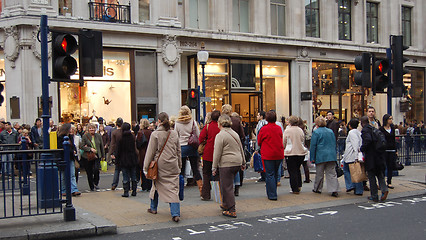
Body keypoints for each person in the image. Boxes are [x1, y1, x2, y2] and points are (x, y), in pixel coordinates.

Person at [144, 112, 182, 222]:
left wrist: (146, 167)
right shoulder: (174, 133)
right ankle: (175, 213)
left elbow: (150, 153)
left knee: (156, 184)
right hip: (173, 163)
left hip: (159, 164)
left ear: (159, 121)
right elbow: (178, 151)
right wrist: (179, 165)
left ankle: (153, 207)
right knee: (173, 188)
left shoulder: (155, 134)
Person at [212, 114, 246, 218]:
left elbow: (217, 153)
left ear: (220, 123)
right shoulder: (234, 133)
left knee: (227, 187)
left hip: (226, 163)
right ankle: (225, 205)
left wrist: (214, 167)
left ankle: (231, 209)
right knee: (226, 185)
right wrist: (243, 162)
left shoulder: (220, 135)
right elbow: (241, 148)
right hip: (237, 161)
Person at [174, 106, 202, 195]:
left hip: (182, 147)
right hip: (192, 147)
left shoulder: (177, 123)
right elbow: (198, 134)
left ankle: (180, 191)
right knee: (195, 170)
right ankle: (202, 191)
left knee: (181, 170)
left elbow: (175, 137)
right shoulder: (193, 122)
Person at [257, 111, 284, 201]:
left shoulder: (264, 129)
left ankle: (272, 194)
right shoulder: (278, 128)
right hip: (278, 153)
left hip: (268, 154)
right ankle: (273, 191)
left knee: (270, 174)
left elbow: (259, 141)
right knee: (276, 174)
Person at [360, 116, 388, 202]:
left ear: (361, 123)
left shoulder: (365, 130)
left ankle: (374, 195)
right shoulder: (373, 128)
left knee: (371, 176)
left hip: (371, 156)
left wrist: (362, 148)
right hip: (378, 155)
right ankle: (384, 189)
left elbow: (368, 140)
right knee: (379, 174)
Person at [310, 116, 339, 197]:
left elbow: (313, 146)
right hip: (331, 155)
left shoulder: (316, 132)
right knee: (332, 173)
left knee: (319, 173)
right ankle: (334, 189)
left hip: (320, 155)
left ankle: (317, 188)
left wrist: (312, 157)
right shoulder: (330, 131)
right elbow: (334, 143)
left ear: (316, 124)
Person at [199, 110, 221, 200]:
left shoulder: (208, 126)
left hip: (208, 153)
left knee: (206, 174)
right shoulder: (221, 127)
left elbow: (200, 138)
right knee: (218, 174)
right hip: (219, 153)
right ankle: (219, 195)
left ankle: (206, 194)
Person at [283, 116, 307, 194]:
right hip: (300, 152)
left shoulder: (287, 130)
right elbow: (303, 140)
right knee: (297, 169)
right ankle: (299, 185)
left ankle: (294, 188)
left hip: (290, 152)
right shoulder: (300, 130)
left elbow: (284, 141)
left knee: (292, 171)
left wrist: (284, 148)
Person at [57, 123, 81, 196]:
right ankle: (63, 190)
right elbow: (61, 147)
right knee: (63, 175)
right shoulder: (60, 137)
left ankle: (74, 189)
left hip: (70, 158)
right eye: (70, 128)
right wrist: (71, 151)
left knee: (72, 174)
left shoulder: (70, 137)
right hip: (63, 158)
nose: (72, 130)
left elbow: (73, 146)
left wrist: (74, 151)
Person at [116, 122, 139, 197]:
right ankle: (134, 190)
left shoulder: (121, 138)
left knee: (125, 176)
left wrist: (117, 159)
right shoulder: (132, 137)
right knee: (133, 175)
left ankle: (126, 191)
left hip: (124, 159)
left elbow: (118, 150)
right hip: (132, 158)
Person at [342, 119, 363, 196]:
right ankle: (357, 189)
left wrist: (356, 155)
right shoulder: (358, 132)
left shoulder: (351, 133)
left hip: (351, 156)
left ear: (350, 125)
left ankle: (351, 186)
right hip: (354, 155)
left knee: (348, 170)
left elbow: (355, 144)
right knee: (356, 172)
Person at [81, 123, 105, 191]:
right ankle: (91, 186)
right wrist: (90, 149)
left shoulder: (98, 136)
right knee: (89, 172)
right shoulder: (85, 136)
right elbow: (81, 146)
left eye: (93, 128)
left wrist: (103, 155)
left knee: (96, 169)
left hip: (97, 155)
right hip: (88, 156)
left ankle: (96, 183)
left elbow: (101, 146)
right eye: (90, 128)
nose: (92, 129)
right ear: (88, 129)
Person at [379, 114, 397, 189]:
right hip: (384, 150)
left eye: (391, 119)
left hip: (392, 149)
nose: (391, 120)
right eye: (390, 119)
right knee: (383, 166)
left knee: (390, 166)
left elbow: (393, 139)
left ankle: (389, 182)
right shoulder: (381, 129)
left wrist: (396, 150)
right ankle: (382, 182)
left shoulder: (392, 128)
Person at [136, 118, 152, 191]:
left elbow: (138, 144)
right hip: (150, 151)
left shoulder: (140, 133)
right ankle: (150, 185)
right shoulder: (151, 132)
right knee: (150, 168)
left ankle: (144, 185)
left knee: (143, 169)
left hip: (142, 152)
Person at [109, 118, 123, 190]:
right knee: (124, 170)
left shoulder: (114, 132)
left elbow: (113, 144)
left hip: (117, 152)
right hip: (124, 152)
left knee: (117, 169)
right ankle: (126, 184)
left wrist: (111, 153)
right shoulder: (125, 132)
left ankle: (114, 184)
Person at [255, 111, 267, 182]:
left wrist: (257, 147)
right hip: (264, 145)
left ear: (262, 116)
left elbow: (258, 136)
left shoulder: (261, 124)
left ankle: (263, 176)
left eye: (258, 115)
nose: (257, 116)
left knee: (261, 161)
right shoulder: (266, 123)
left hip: (261, 145)